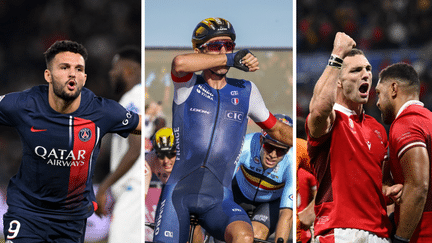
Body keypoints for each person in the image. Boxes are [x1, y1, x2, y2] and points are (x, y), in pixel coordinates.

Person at [152, 17, 293, 243]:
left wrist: (313, 143)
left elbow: (276, 130)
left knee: (245, 237)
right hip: (179, 194)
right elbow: (178, 63)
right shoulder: (187, 85)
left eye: (229, 46)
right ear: (199, 50)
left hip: (219, 199)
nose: (224, 51)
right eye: (217, 46)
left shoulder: (246, 90)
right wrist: (230, 58)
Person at [0, 40, 141, 242]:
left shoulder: (101, 111)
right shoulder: (25, 104)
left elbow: (142, 125)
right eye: (64, 67)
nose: (72, 73)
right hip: (27, 213)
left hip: (70, 221)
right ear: (48, 75)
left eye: (78, 68)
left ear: (84, 77)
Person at [305, 32, 401, 242]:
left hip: (380, 233)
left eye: (367, 69)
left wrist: (389, 190)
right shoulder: (330, 120)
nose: (365, 74)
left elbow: (380, 184)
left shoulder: (377, 128)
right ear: (337, 82)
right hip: (339, 231)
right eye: (356, 70)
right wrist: (337, 53)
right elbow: (319, 109)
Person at [375, 62, 432, 243]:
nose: (376, 102)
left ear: (393, 89)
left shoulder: (405, 124)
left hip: (422, 234)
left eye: (378, 93)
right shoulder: (428, 120)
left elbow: (418, 187)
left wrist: (400, 238)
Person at [94, 46, 142, 242]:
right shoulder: (136, 98)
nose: (111, 73)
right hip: (134, 189)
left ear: (129, 71)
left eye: (116, 68)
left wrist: (104, 186)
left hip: (134, 189)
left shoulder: (132, 100)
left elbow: (135, 148)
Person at [231, 114, 294, 243]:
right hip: (239, 194)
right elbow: (221, 186)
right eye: (269, 147)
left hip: (270, 203)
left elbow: (286, 213)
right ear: (261, 140)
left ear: (288, 150)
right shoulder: (246, 145)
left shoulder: (291, 162)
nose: (273, 155)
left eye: (281, 150)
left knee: (256, 234)